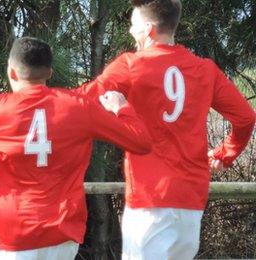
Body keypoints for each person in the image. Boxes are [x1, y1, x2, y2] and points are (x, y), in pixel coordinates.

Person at [0, 36, 152, 260]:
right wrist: (122, 108)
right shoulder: (77, 107)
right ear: (50, 72)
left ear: (11, 71)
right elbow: (140, 142)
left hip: (13, 232)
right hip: (62, 230)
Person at [75, 0, 256, 258]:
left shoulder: (130, 65)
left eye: (134, 26)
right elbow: (246, 117)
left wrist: (31, 99)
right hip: (191, 201)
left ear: (148, 29)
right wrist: (226, 153)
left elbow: (82, 100)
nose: (130, 32)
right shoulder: (205, 70)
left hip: (150, 198)